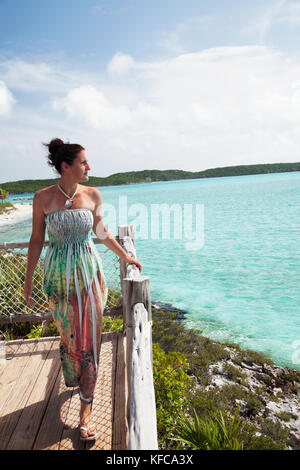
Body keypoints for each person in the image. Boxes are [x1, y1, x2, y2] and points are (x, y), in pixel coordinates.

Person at [23, 138, 142, 441]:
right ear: (66, 166)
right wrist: (28, 279)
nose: (89, 167)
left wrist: (126, 256)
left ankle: (85, 411)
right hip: (58, 280)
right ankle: (75, 376)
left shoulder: (93, 194)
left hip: (89, 276)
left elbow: (100, 231)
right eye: (83, 162)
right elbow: (37, 240)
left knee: (89, 341)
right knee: (70, 336)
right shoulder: (42, 198)